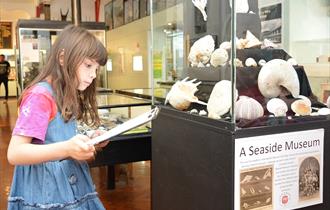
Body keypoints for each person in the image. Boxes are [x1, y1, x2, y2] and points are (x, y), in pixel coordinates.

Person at [7, 25, 109, 210]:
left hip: (65, 183)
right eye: (88, 65)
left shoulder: (62, 93)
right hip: (46, 191)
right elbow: (15, 153)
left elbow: (57, 134)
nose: (93, 75)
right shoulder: (40, 96)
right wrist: (67, 148)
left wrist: (89, 138)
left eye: (96, 69)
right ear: (63, 58)